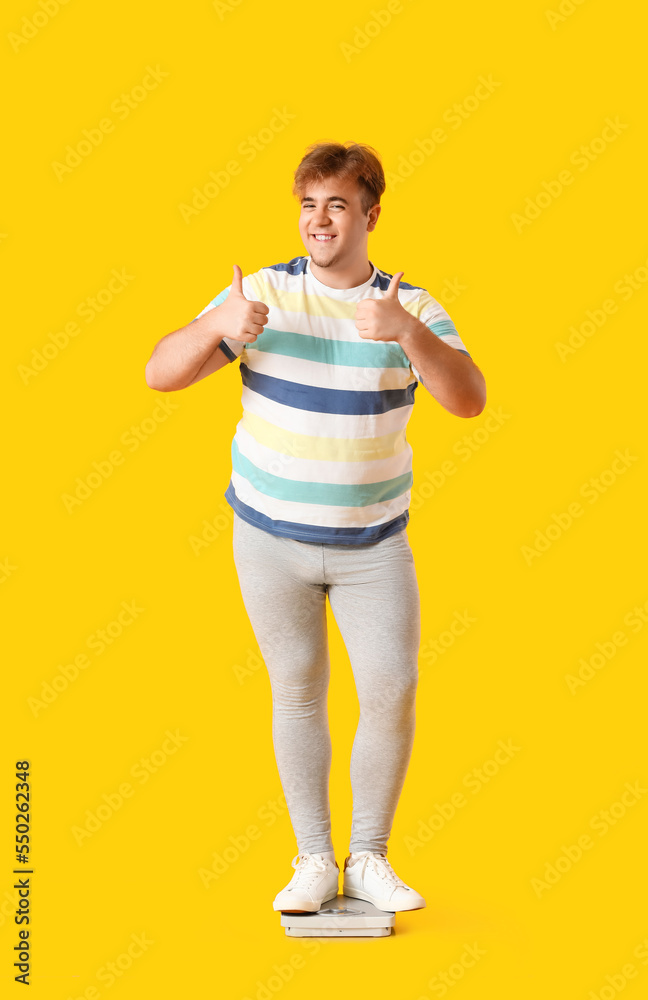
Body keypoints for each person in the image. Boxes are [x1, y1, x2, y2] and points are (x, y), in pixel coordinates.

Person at [145, 141, 486, 915]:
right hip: (269, 538)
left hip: (375, 545)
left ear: (370, 214)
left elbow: (468, 399)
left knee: (392, 689)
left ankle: (367, 857)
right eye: (308, 204)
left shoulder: (411, 308)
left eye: (336, 204)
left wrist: (405, 332)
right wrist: (218, 326)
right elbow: (160, 373)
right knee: (296, 690)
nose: (320, 219)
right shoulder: (261, 295)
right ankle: (311, 858)